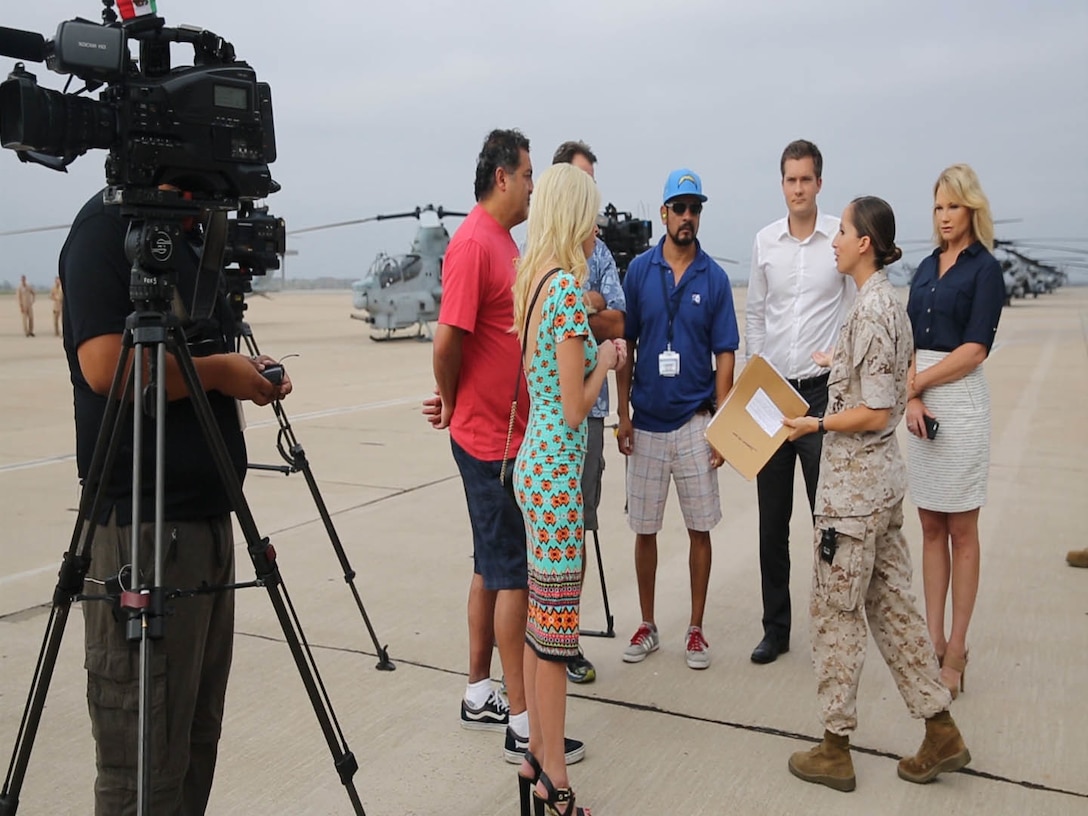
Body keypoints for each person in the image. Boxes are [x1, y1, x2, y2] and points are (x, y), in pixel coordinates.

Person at [60, 189, 292, 813]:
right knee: (144, 758)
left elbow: (189, 348)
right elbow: (107, 367)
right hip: (144, 530)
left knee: (193, 738)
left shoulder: (188, 234)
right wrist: (219, 373)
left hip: (209, 521)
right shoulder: (107, 230)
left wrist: (242, 369)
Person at [784, 196, 971, 792]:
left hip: (853, 498)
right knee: (893, 611)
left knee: (836, 617)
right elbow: (879, 379)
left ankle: (835, 747)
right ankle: (940, 728)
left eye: (841, 231)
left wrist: (814, 424)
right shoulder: (889, 303)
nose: (834, 240)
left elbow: (875, 409)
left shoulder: (870, 311)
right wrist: (835, 361)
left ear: (865, 242)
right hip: (883, 489)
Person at [426, 129, 583, 767]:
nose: (532, 187)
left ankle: (479, 691)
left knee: (489, 565)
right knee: (514, 573)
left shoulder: (505, 244)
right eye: (526, 176)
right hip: (491, 440)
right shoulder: (472, 245)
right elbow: (447, 339)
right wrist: (453, 399)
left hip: (504, 433)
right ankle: (522, 723)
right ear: (502, 178)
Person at [512, 162, 624, 816]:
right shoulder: (563, 293)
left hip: (536, 460)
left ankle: (533, 758)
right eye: (593, 215)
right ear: (575, 215)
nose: (598, 229)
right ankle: (555, 780)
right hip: (557, 469)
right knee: (555, 636)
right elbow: (577, 406)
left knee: (538, 624)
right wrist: (606, 362)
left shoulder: (536, 284)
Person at [616, 168, 738, 670]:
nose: (687, 217)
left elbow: (726, 354)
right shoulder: (640, 271)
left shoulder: (714, 277)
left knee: (699, 528)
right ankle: (646, 624)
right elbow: (625, 346)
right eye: (679, 208)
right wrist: (622, 413)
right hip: (646, 423)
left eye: (695, 209)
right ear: (663, 213)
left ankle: (695, 629)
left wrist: (722, 427)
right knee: (644, 529)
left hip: (694, 420)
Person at [746, 139, 854, 665]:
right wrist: (754, 372)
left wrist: (841, 357)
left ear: (819, 182)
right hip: (771, 395)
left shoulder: (840, 237)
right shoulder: (765, 241)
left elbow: (855, 305)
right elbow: (756, 315)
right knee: (772, 523)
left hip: (819, 396)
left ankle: (832, 627)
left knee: (825, 520)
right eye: (790, 180)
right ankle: (776, 629)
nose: (797, 189)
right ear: (782, 183)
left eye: (805, 180)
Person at [905, 164, 1005, 699]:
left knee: (962, 529)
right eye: (939, 207)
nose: (945, 217)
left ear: (972, 209)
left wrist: (920, 381)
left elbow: (974, 349)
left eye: (954, 206)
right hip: (920, 402)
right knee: (928, 525)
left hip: (961, 402)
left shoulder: (984, 270)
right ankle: (932, 636)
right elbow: (906, 340)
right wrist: (913, 393)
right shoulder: (923, 268)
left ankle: (958, 647)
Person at [551, 140, 627, 685]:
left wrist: (589, 308)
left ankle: (567, 637)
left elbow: (619, 320)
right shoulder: (538, 251)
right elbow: (551, 330)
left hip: (591, 413)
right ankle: (543, 639)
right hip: (549, 414)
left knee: (577, 528)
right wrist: (587, 306)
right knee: (545, 535)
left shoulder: (598, 253)